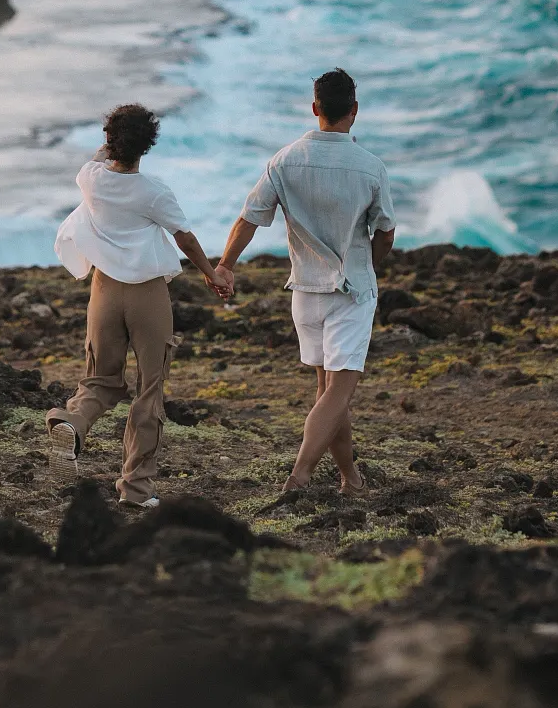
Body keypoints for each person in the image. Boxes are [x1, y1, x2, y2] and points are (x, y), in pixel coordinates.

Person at [215, 67, 395, 494]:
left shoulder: (285, 159)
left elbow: (250, 218)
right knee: (339, 392)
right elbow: (385, 232)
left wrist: (226, 265)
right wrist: (369, 264)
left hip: (305, 293)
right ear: (354, 111)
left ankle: (350, 478)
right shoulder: (370, 167)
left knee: (327, 392)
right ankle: (299, 475)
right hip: (351, 292)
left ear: (315, 109)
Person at [46, 102, 229, 509]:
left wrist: (110, 144)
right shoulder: (154, 192)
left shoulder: (89, 178)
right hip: (146, 295)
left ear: (110, 141)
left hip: (104, 293)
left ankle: (72, 421)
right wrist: (211, 273)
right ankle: (135, 489)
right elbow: (185, 238)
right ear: (147, 145)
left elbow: (98, 156)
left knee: (100, 381)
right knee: (149, 389)